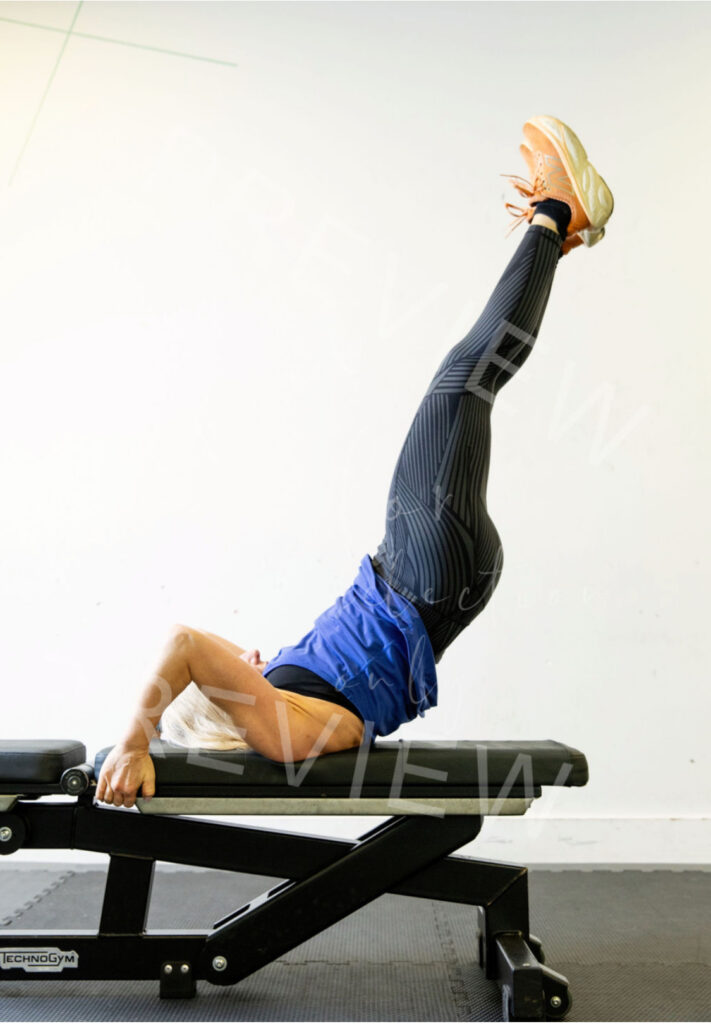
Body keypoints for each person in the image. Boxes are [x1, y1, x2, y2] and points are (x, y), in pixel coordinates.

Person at [96, 115, 614, 808]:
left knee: (469, 380)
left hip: (429, 579)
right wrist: (135, 738)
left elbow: (222, 654)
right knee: (464, 377)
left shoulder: (293, 705)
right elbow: (187, 641)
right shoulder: (283, 731)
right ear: (224, 711)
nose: (247, 659)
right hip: (421, 573)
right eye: (234, 683)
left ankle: (556, 237)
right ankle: (555, 216)